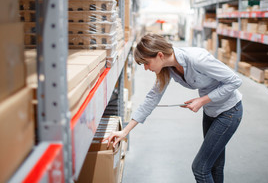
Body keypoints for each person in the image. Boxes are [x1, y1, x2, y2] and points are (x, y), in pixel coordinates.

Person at [104, 33, 243, 183]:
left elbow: (235, 81)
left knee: (200, 168)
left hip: (228, 112)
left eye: (146, 63)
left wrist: (202, 100)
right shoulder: (168, 68)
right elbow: (152, 98)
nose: (145, 68)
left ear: (160, 55)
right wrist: (124, 131)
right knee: (214, 165)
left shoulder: (197, 59)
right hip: (210, 112)